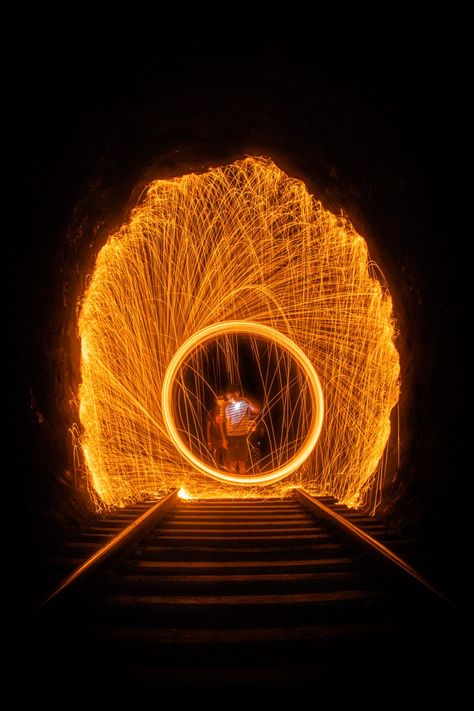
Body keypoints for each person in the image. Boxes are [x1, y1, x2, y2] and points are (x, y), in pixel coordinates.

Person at [220, 384, 260, 474]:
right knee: (232, 464)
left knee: (242, 464)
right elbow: (221, 423)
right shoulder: (225, 405)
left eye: (233, 396)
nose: (231, 399)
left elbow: (256, 410)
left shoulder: (244, 402)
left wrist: (246, 400)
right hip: (231, 437)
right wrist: (223, 439)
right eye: (229, 397)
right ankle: (232, 485)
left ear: (238, 394)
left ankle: (241, 484)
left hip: (242, 437)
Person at [206, 393, 226, 467]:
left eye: (222, 399)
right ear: (215, 400)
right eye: (218, 399)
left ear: (224, 400)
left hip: (225, 440)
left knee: (226, 461)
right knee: (215, 461)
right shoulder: (211, 412)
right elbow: (208, 428)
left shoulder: (227, 411)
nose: (220, 401)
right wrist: (209, 442)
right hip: (214, 440)